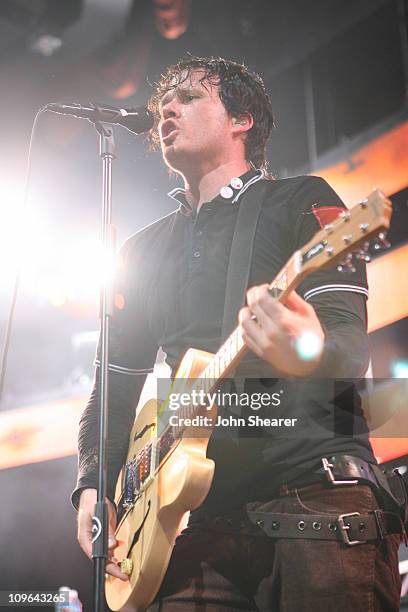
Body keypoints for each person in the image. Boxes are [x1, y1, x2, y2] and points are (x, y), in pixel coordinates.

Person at [73, 56, 403, 611]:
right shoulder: (139, 251)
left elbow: (349, 343)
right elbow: (111, 388)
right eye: (162, 104)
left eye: (188, 96)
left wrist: (307, 349)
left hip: (317, 498)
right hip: (196, 522)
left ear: (241, 118)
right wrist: (91, 485)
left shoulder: (303, 200)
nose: (166, 110)